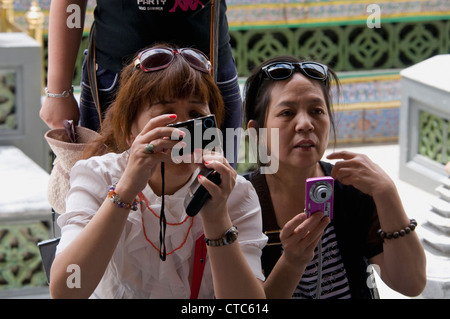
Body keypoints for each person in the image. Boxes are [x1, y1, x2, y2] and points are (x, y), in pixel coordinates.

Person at [49, 44, 267, 299]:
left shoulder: (234, 192)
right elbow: (66, 291)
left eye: (197, 114)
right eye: (167, 115)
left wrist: (217, 218)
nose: (183, 129)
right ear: (130, 130)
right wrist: (125, 191)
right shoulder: (98, 176)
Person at [243, 55, 426, 299]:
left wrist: (386, 193)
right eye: (287, 112)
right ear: (257, 133)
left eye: (317, 110)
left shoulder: (353, 188)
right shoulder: (242, 201)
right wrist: (292, 261)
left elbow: (411, 284)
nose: (305, 124)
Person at [40, 0, 241, 166]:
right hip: (117, 79)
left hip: (205, 76)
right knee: (109, 186)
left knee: (208, 188)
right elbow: (72, 5)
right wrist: (58, 92)